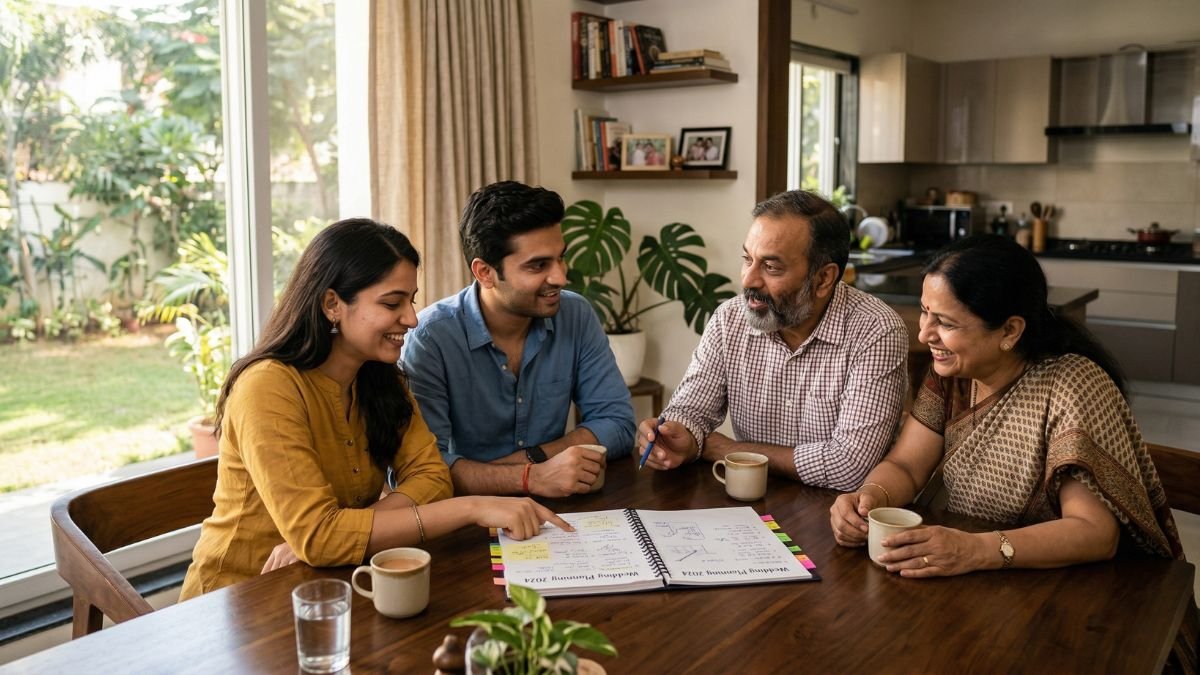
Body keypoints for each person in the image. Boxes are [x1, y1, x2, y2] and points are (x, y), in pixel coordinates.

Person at [180, 219, 570, 599]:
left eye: (411, 300)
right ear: (332, 304)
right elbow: (319, 537)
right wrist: (471, 508)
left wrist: (342, 533)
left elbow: (432, 477)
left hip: (333, 587)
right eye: (392, 303)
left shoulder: (381, 377)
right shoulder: (267, 386)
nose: (412, 318)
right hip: (233, 604)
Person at [829, 233, 1186, 572]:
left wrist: (973, 550)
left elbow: (1094, 533)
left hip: (1070, 587)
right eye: (925, 312)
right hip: (982, 579)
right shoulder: (952, 375)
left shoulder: (1072, 385)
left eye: (946, 323)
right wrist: (869, 498)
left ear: (1010, 331)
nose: (924, 334)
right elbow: (907, 465)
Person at [637, 189, 908, 490]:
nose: (748, 280)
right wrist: (678, 435)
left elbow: (850, 467)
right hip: (751, 507)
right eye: (747, 259)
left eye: (771, 267)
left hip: (839, 515)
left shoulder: (875, 330)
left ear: (823, 279)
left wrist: (719, 448)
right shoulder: (730, 319)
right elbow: (689, 412)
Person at [403, 181, 635, 498]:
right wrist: (529, 477)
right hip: (466, 519)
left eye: (560, 258)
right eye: (538, 265)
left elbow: (618, 423)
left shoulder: (575, 314)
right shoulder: (431, 338)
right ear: (484, 272)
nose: (560, 277)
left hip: (559, 507)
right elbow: (426, 469)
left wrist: (533, 459)